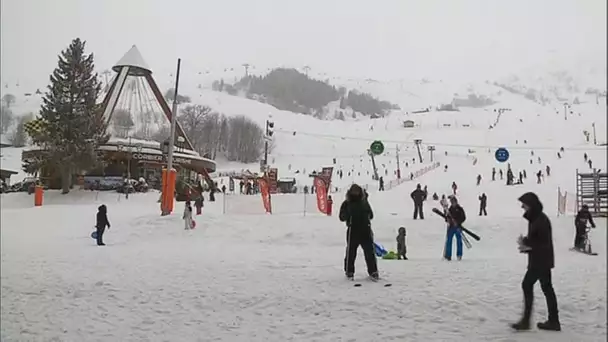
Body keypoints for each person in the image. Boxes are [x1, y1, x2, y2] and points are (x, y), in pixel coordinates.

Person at [512, 192, 560, 331]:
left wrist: (527, 243)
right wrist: (526, 247)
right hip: (541, 259)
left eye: (524, 204)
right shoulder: (535, 219)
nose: (522, 207)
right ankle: (553, 321)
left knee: (527, 285)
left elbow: (543, 243)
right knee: (547, 288)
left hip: (540, 261)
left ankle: (526, 322)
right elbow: (538, 242)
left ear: (531, 205)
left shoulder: (540, 220)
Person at [339, 184, 379, 280]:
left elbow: (371, 214)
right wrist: (347, 215)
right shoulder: (347, 203)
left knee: (370, 252)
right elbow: (341, 217)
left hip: (365, 230)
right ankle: (349, 271)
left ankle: (373, 271)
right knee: (351, 252)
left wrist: (367, 215)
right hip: (353, 230)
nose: (356, 193)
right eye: (354, 191)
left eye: (357, 191)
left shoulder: (364, 202)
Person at [444, 196, 466, 261]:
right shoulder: (450, 209)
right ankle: (448, 256)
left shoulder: (460, 209)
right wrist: (447, 219)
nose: (452, 203)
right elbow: (446, 218)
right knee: (449, 241)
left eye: (453, 202)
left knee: (459, 241)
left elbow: (463, 217)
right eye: (451, 202)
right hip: (451, 227)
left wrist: (458, 222)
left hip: (458, 227)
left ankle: (459, 255)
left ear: (456, 202)